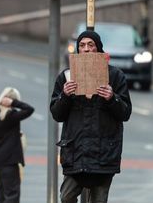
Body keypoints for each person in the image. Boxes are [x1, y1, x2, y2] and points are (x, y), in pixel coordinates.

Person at [50, 30, 132, 203]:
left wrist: (112, 98)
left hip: (104, 154)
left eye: (90, 45)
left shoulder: (115, 76)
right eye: (82, 45)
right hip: (76, 153)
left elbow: (125, 113)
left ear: (98, 48)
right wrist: (65, 95)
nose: (86, 49)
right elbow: (57, 114)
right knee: (66, 196)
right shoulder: (66, 76)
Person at [0, 87, 34, 203]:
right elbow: (29, 109)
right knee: (12, 194)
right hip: (8, 162)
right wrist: (14, 103)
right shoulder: (11, 116)